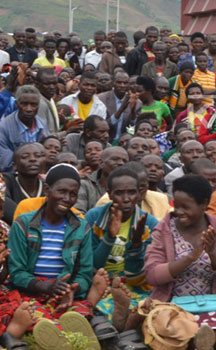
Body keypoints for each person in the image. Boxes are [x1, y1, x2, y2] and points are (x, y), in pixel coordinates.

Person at [7, 164, 110, 340]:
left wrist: (72, 289)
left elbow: (84, 273)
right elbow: (16, 273)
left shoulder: (81, 227)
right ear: (47, 189)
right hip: (30, 290)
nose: (67, 199)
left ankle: (69, 329)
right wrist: (44, 286)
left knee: (77, 314)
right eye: (61, 191)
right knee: (31, 314)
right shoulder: (24, 224)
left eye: (73, 194)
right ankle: (57, 334)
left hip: (64, 290)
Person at [145, 174, 216, 348]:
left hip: (211, 304)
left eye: (186, 207)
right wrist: (189, 258)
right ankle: (199, 343)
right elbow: (152, 275)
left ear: (204, 204)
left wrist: (212, 252)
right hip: (173, 306)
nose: (179, 212)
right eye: (176, 205)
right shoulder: (164, 229)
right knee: (179, 333)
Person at [84, 165, 158, 330]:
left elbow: (139, 276)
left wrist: (136, 246)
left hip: (134, 286)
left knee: (146, 312)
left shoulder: (149, 224)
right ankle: (122, 325)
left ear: (139, 193)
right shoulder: (94, 217)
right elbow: (91, 264)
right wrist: (109, 237)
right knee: (97, 313)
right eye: (119, 193)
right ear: (109, 193)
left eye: (131, 192)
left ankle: (124, 323)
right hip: (99, 283)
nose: (126, 199)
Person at [0, 86, 48, 172]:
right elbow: (5, 162)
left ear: (38, 105)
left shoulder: (42, 124)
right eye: (24, 104)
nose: (29, 109)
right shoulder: (4, 127)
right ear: (16, 104)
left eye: (33, 105)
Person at [76, 146, 129, 213]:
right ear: (101, 163)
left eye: (125, 161)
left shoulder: (131, 188)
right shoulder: (84, 185)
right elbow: (78, 215)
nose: (121, 163)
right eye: (115, 159)